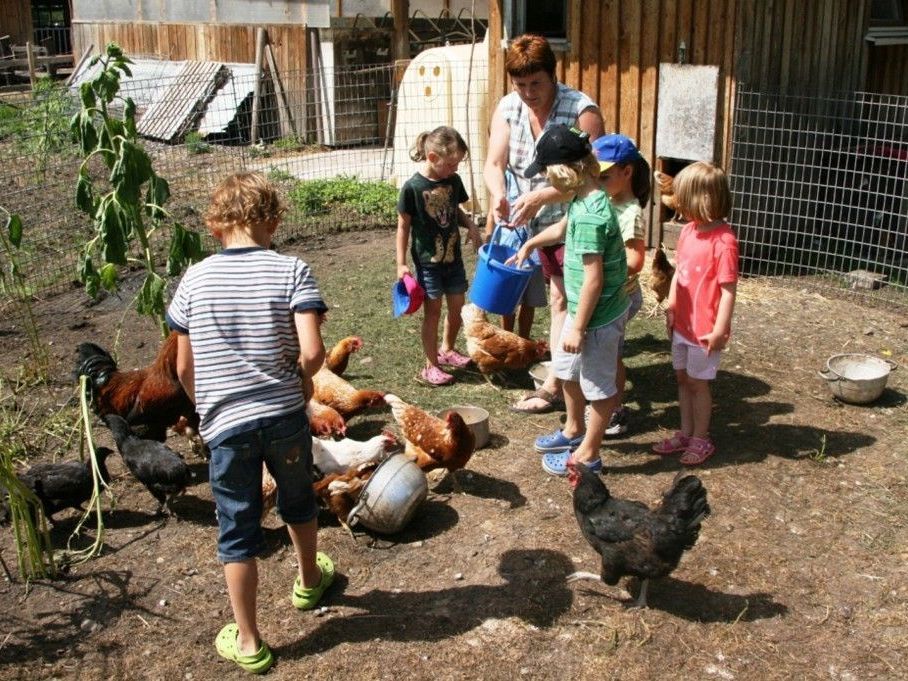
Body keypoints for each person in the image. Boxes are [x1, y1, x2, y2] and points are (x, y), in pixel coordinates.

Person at [168, 172, 334, 674]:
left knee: (236, 529)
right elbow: (312, 352)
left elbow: (181, 367)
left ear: (215, 228)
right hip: (283, 417)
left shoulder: (194, 278)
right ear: (275, 221)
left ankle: (248, 641)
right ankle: (309, 580)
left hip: (226, 425)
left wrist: (207, 409)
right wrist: (300, 386)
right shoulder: (291, 271)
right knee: (298, 498)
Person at [483, 33, 604, 413]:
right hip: (528, 221)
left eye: (536, 83)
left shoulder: (582, 110)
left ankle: (558, 384)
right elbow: (494, 163)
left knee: (565, 298)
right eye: (520, 84)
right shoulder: (508, 107)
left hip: (573, 218)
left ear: (553, 75)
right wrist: (497, 193)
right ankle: (566, 376)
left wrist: (543, 196)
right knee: (557, 298)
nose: (528, 92)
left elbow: (594, 175)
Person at [509, 125, 629, 477]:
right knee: (567, 370)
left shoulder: (593, 213)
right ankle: (574, 429)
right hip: (582, 311)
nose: (545, 181)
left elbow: (595, 278)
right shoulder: (583, 198)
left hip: (598, 317)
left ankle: (589, 454)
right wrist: (533, 243)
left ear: (562, 172)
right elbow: (563, 229)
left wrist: (577, 327)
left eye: (546, 173)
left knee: (599, 387)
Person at [652, 161, 738, 466]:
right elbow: (679, 273)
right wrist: (672, 306)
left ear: (702, 200)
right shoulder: (688, 232)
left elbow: (728, 290)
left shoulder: (723, 242)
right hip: (683, 325)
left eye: (683, 199)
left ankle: (701, 438)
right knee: (682, 378)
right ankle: (686, 433)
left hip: (703, 330)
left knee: (697, 383)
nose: (677, 204)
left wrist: (720, 329)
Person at [396, 125, 482, 386]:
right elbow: (403, 227)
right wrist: (401, 264)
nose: (455, 169)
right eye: (451, 164)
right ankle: (430, 365)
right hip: (427, 264)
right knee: (432, 312)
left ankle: (447, 349)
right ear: (432, 158)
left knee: (457, 306)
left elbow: (455, 209)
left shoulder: (453, 181)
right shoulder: (412, 187)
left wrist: (472, 226)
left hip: (453, 260)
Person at [591, 133, 651, 436]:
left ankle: (615, 411)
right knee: (604, 353)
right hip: (607, 293)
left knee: (611, 356)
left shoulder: (631, 213)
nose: (598, 181)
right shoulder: (607, 201)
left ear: (626, 172)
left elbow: (636, 260)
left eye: (604, 176)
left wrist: (600, 266)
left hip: (621, 296)